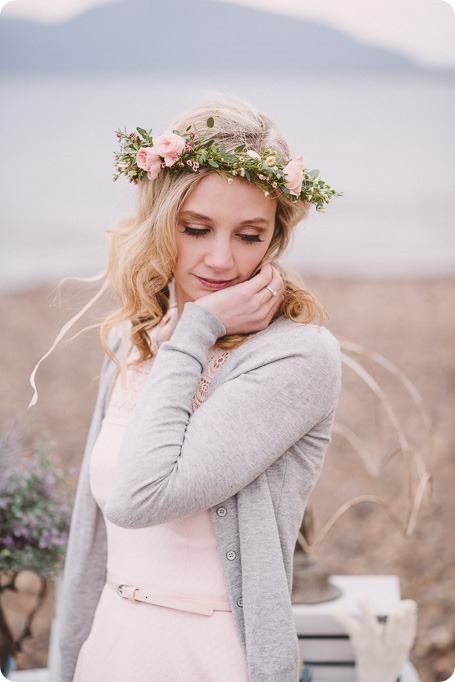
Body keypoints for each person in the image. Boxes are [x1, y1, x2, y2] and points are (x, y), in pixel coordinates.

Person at [57, 93, 342, 682]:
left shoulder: (298, 357)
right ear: (163, 223)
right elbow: (94, 542)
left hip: (209, 656)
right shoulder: (136, 344)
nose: (221, 259)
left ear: (274, 240)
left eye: (249, 235)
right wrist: (68, 659)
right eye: (197, 228)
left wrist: (198, 331)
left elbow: (142, 497)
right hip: (113, 646)